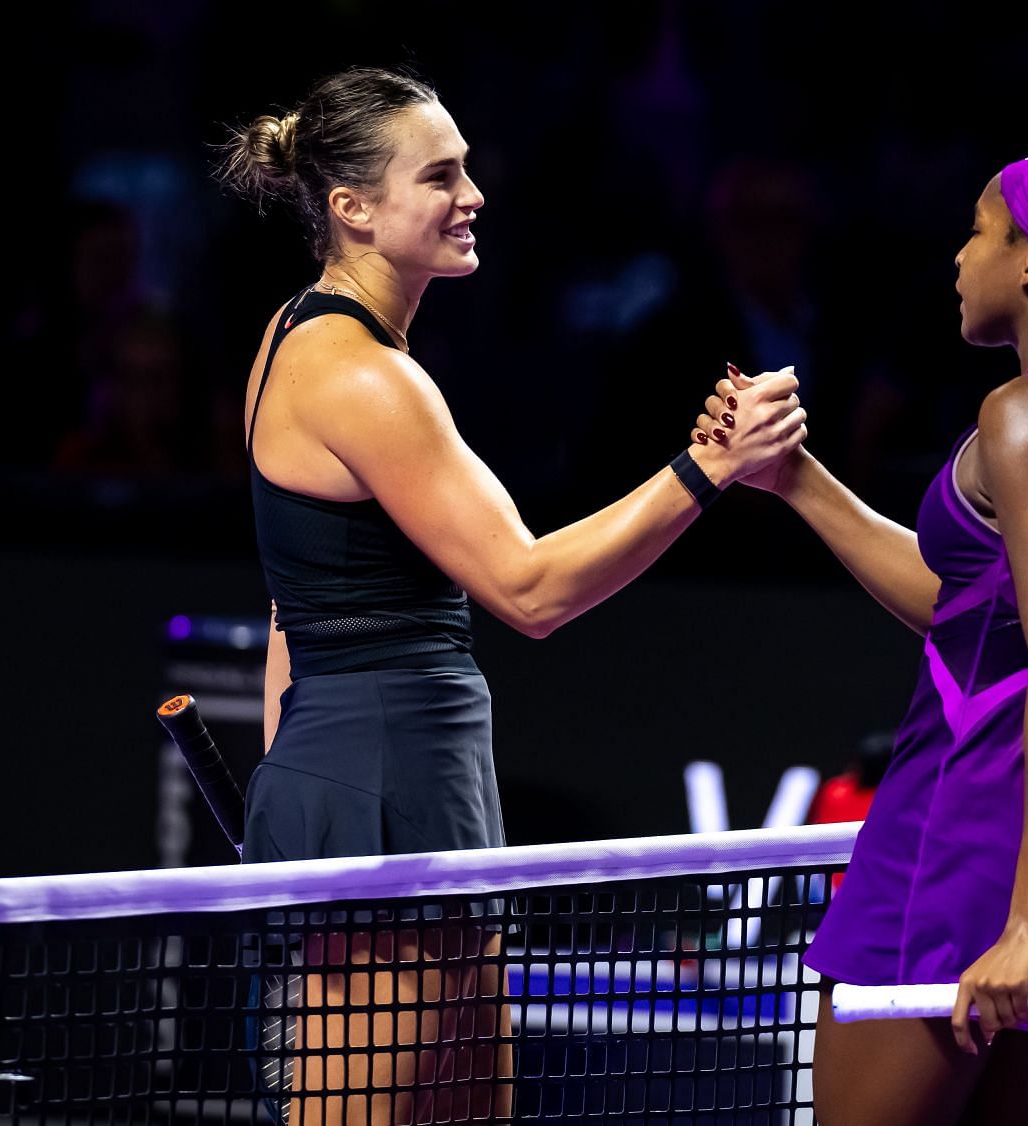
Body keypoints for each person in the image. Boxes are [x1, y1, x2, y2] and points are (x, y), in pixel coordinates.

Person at [213, 65, 806, 1124]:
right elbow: (529, 590)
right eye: (440, 175)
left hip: (395, 770)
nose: (473, 193)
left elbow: (287, 610)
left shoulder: (303, 340)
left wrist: (285, 776)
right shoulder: (361, 376)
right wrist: (707, 470)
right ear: (353, 208)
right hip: (381, 782)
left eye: (469, 167)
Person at [699, 142, 1028, 1124]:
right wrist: (795, 479)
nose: (959, 257)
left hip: (964, 847)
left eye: (977, 232)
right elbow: (976, 610)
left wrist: (1024, 921)